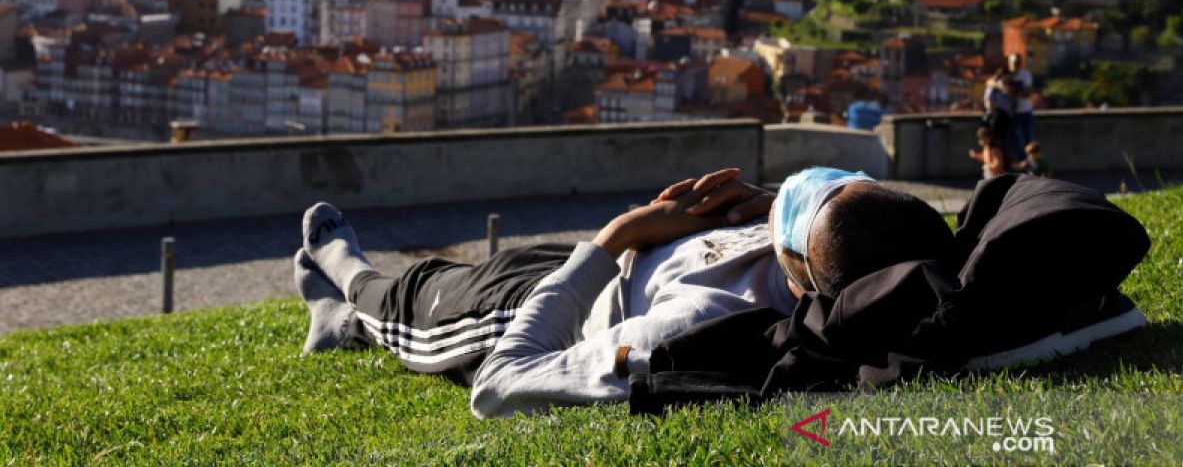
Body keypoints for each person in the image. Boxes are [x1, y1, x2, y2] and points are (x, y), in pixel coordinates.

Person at [294, 166, 955, 419]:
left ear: (796, 274)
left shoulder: (699, 325)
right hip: (593, 266)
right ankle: (337, 323)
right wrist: (766, 204)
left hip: (534, 307)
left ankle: (346, 276)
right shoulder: (850, 242)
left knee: (413, 296)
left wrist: (617, 234)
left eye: (795, 209)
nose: (786, 197)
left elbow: (501, 383)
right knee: (444, 274)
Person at [1008, 52, 1036, 152]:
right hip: (1013, 114)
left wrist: (1011, 91)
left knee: (1030, 140)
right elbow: (990, 82)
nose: (1017, 64)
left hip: (1026, 112)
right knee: (1018, 142)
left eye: (1019, 62)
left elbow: (1027, 92)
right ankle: (1023, 163)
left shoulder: (1025, 74)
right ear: (1009, 62)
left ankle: (1031, 163)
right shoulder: (1006, 74)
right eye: (1015, 62)